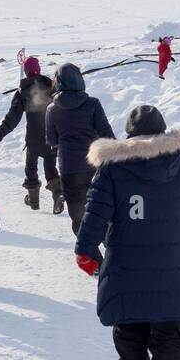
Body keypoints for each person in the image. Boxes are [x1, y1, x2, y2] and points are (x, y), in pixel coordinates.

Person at [74, 105, 180, 360]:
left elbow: (96, 212)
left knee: (129, 315)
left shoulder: (112, 167)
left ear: (129, 134)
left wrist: (85, 249)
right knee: (169, 318)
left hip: (126, 257)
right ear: (162, 130)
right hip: (173, 258)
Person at [0, 56, 62, 214]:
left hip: (34, 139)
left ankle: (33, 200)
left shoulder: (22, 91)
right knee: (50, 167)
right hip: (53, 137)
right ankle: (58, 193)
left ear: (26, 72)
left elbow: (11, 119)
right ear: (39, 69)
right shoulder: (52, 86)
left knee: (31, 167)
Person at [46, 62, 115, 233]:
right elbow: (107, 134)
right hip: (95, 167)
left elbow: (52, 140)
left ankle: (93, 258)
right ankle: (112, 255)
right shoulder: (93, 104)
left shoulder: (52, 109)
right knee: (102, 215)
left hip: (69, 169)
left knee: (79, 219)